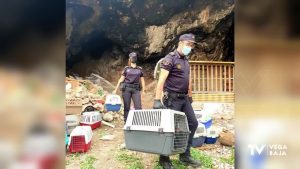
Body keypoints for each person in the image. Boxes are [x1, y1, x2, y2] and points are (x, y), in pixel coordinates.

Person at [153, 33, 201, 168]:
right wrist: (157, 100)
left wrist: (190, 95)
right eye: (188, 44)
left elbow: (188, 79)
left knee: (193, 123)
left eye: (191, 45)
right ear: (180, 43)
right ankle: (164, 158)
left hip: (184, 98)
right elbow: (161, 80)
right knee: (170, 128)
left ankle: (185, 155)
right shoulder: (170, 59)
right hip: (172, 99)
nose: (189, 47)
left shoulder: (186, 60)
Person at [113, 52, 145, 122]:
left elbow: (142, 80)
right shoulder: (126, 69)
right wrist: (115, 90)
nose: (134, 58)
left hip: (136, 89)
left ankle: (139, 122)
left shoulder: (139, 69)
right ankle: (126, 121)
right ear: (130, 59)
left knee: (138, 107)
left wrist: (144, 90)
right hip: (126, 89)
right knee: (126, 107)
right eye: (133, 57)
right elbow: (121, 79)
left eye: (135, 57)